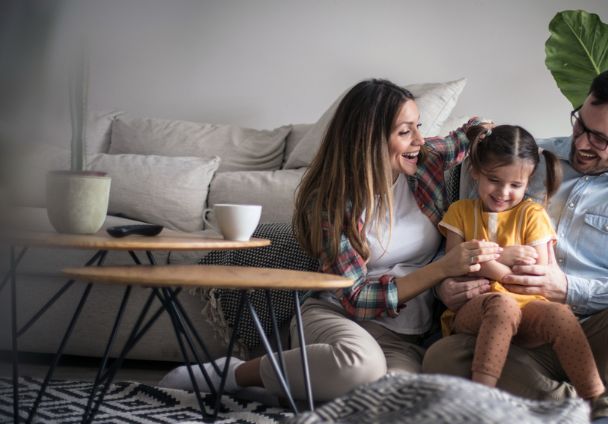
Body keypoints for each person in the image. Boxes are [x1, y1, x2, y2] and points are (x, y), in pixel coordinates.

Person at [158, 79, 499, 402]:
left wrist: (484, 132)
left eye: (418, 127)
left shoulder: (424, 163)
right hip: (339, 317)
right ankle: (233, 375)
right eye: (405, 131)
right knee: (360, 366)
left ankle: (291, 387)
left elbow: (469, 132)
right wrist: (441, 269)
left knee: (397, 400)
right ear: (370, 139)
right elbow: (354, 297)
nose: (419, 140)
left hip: (404, 336)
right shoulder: (333, 201)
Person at [422, 68, 608, 424]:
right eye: (581, 123)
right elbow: (462, 243)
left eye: (600, 138)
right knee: (441, 358)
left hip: (594, 331)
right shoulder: (526, 160)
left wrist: (570, 288)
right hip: (514, 331)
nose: (582, 142)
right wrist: (447, 288)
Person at [438, 124, 603, 401]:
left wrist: (484, 259)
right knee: (501, 305)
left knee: (561, 316)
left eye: (515, 185)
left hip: (527, 308)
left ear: (528, 182)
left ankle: (598, 399)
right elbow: (455, 262)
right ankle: (481, 398)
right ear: (475, 172)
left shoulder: (532, 214)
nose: (503, 192)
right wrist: (503, 259)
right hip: (476, 309)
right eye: (494, 180)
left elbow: (535, 271)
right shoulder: (460, 212)